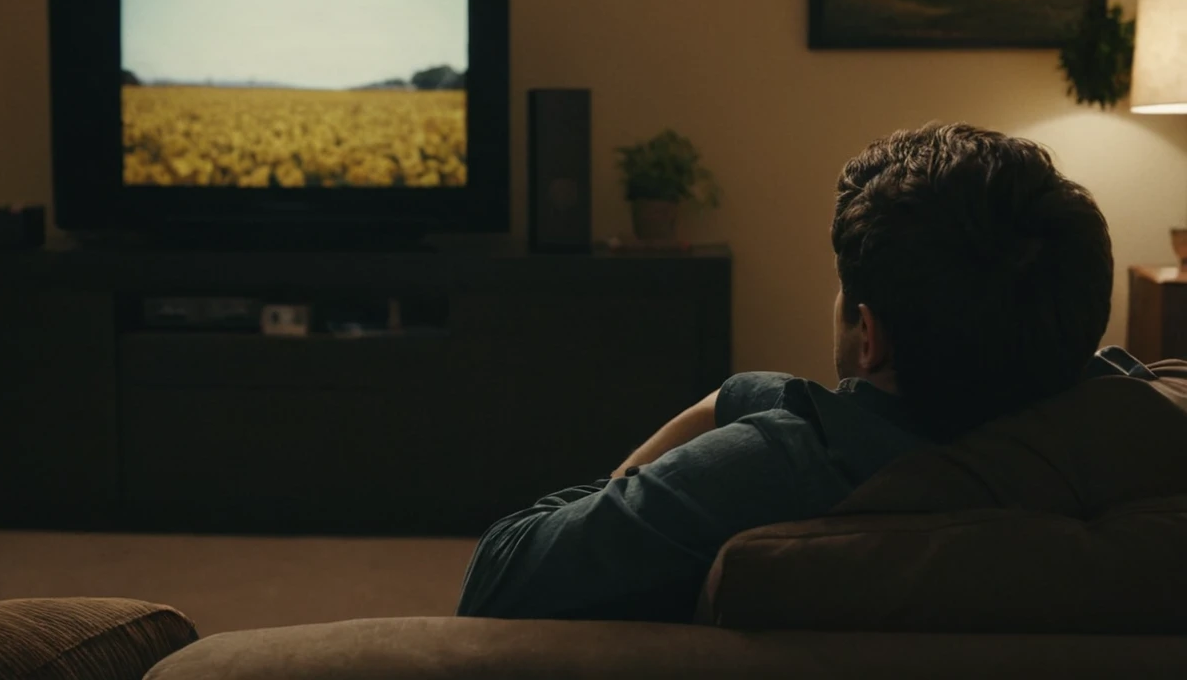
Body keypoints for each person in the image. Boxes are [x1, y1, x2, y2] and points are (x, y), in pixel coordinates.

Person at [457, 122, 1138, 623]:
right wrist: (736, 396)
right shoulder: (1132, 416)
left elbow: (498, 576)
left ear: (867, 337)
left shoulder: (774, 469)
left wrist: (623, 481)